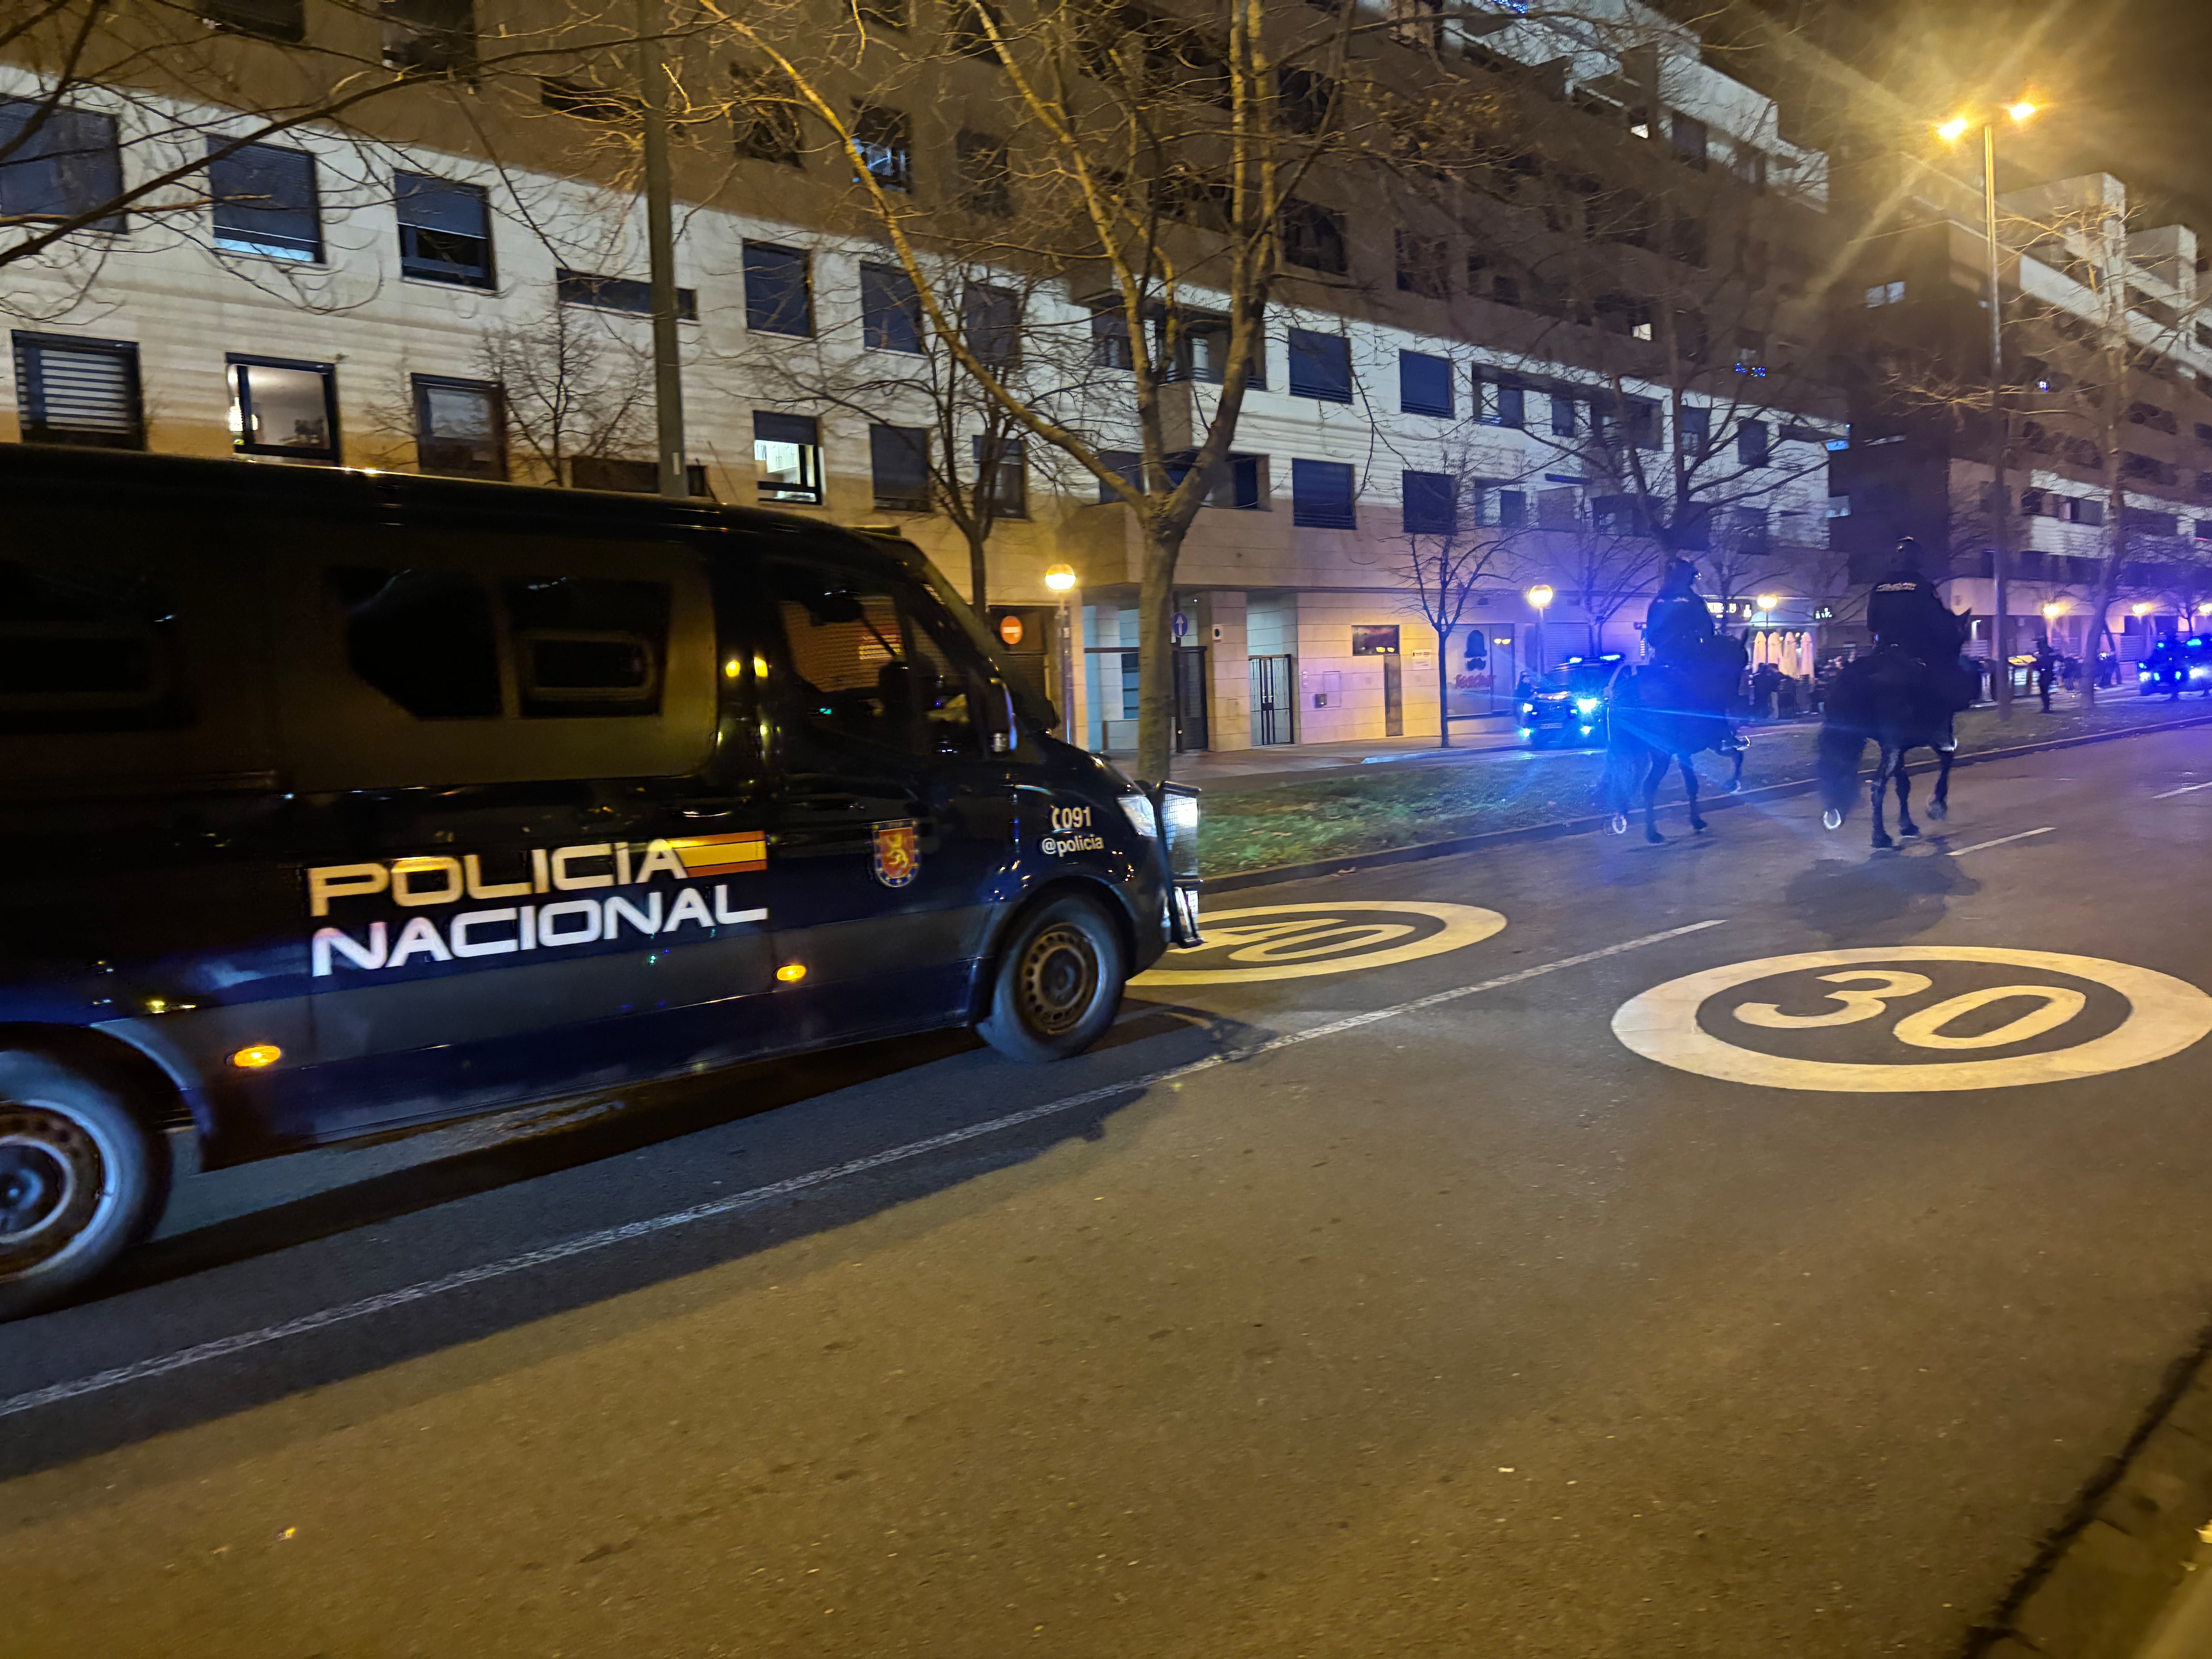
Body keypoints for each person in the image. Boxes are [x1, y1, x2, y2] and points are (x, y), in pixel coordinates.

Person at [2032, 637, 2059, 713]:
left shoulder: (2045, 652)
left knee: (2044, 692)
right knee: (2044, 692)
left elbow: (2043, 663)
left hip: (2046, 674)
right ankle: (2046, 707)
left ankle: (2046, 708)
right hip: (2047, 674)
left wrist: (2034, 662)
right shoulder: (2048, 651)